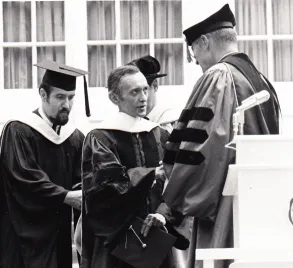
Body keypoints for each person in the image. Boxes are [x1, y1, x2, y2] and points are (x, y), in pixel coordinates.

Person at [160, 1, 281, 268]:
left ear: (204, 42)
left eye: (194, 53)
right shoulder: (262, 80)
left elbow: (202, 147)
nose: (197, 63)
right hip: (258, 199)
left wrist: (174, 198)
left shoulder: (218, 76)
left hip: (222, 204)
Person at [79, 65, 188, 268]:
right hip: (118, 241)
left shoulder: (159, 134)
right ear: (114, 98)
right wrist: (151, 174)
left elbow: (178, 184)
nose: (143, 97)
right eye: (134, 92)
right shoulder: (100, 138)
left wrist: (163, 215)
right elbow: (106, 187)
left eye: (145, 89)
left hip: (156, 237)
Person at [0, 60, 88, 268]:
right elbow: (23, 177)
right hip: (22, 231)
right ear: (43, 95)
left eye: (71, 98)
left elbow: (82, 179)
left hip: (57, 232)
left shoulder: (75, 138)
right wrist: (65, 196)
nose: (67, 105)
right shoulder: (18, 130)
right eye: (60, 97)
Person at [127, 55, 182, 133]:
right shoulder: (126, 124)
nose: (137, 99)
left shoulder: (174, 122)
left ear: (155, 86)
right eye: (132, 92)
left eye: (144, 90)